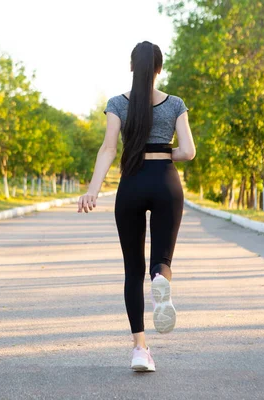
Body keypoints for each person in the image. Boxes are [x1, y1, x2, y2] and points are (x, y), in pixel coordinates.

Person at [76, 40, 195, 372]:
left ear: (132, 67)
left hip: (131, 183)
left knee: (132, 270)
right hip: (166, 183)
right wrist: (161, 153)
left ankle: (140, 349)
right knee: (161, 261)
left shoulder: (117, 103)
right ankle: (161, 279)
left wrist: (92, 190)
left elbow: (107, 149)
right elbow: (188, 151)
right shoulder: (175, 104)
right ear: (159, 69)